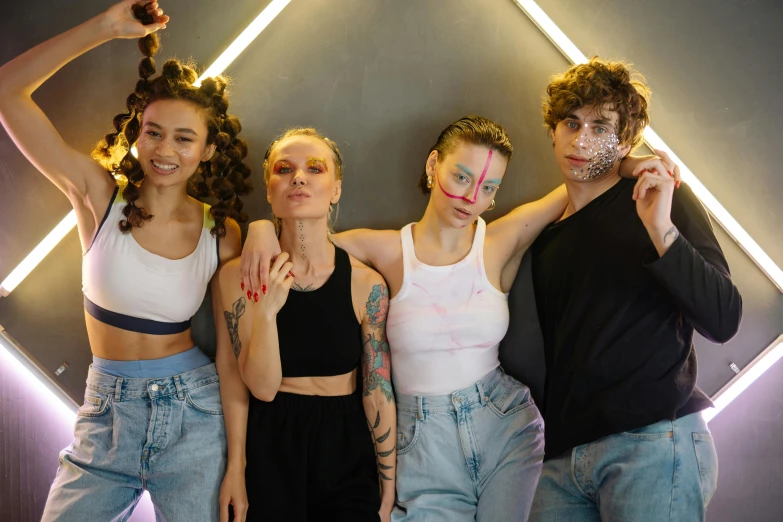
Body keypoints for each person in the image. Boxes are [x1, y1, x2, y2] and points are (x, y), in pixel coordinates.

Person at [239, 116, 677, 520]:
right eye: (461, 177)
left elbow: (578, 179)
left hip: (505, 426)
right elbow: (308, 237)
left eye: (488, 187)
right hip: (419, 440)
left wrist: (630, 162)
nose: (471, 198)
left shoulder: (502, 239)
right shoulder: (385, 250)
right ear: (433, 165)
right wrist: (259, 228)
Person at [0, 2, 253, 520]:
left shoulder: (221, 232)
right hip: (106, 416)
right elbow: (6, 94)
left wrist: (238, 467)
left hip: (195, 414)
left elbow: (231, 358)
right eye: (154, 131)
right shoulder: (99, 195)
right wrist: (104, 29)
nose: (164, 149)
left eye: (185, 138)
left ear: (206, 150)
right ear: (138, 133)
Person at [527, 58, 743, 522]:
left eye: (601, 127)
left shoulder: (660, 199)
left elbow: (724, 318)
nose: (581, 139)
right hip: (564, 459)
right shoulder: (545, 238)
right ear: (554, 130)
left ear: (626, 140)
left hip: (653, 441)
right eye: (571, 122)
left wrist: (660, 227)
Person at [219, 128, 396, 522]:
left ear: (335, 189)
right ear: (268, 191)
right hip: (269, 441)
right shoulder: (236, 278)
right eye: (284, 169)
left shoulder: (366, 284)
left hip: (345, 444)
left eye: (315, 168)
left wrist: (388, 484)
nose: (299, 177)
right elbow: (252, 386)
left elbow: (376, 388)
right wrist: (237, 467)